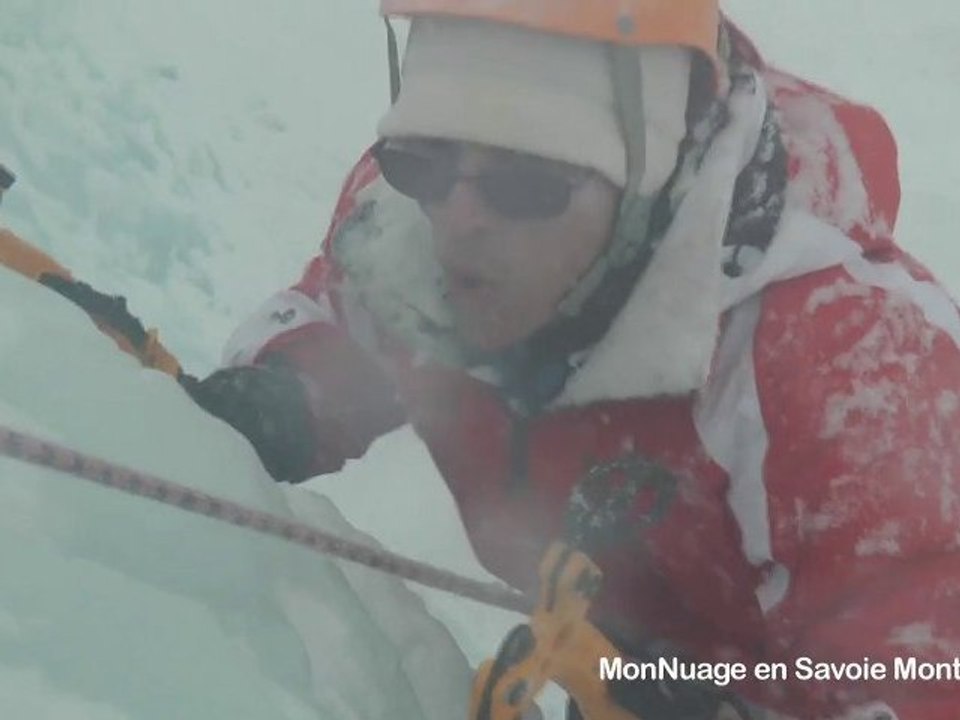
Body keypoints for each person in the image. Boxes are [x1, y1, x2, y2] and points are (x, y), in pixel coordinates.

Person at [184, 2, 960, 718]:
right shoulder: (408, 223)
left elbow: (924, 679)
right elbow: (348, 311)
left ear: (646, 182)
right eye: (419, 159)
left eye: (528, 184)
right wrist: (286, 391)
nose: (457, 218)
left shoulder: (851, 375)